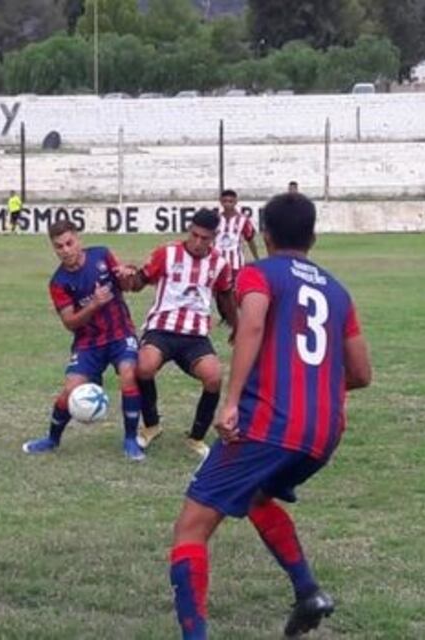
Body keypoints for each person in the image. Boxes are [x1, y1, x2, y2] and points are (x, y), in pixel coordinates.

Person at [167, 193, 372, 639]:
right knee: (257, 494)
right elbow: (361, 373)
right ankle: (308, 592)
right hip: (323, 432)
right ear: (314, 237)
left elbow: (253, 323)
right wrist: (319, 391)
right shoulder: (338, 290)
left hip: (268, 424)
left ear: (265, 234)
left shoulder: (258, 273)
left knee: (190, 529)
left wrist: (232, 399)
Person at [115, 209, 237, 457]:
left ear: (214, 237)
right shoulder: (167, 253)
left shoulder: (220, 263)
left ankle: (196, 438)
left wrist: (237, 327)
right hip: (162, 328)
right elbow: (141, 281)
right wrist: (130, 277)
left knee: (214, 377)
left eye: (205, 238)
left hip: (195, 336)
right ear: (189, 230)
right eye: (194, 235)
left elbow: (225, 297)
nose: (198, 242)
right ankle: (151, 426)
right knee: (144, 366)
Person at [21, 220, 145, 462]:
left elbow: (126, 285)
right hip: (88, 342)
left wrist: (128, 274)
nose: (66, 250)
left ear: (78, 239)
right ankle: (52, 439)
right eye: (59, 247)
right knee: (69, 390)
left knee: (129, 373)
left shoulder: (101, 254)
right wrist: (95, 304)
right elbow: (70, 322)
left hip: (121, 334)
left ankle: (130, 439)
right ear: (53, 249)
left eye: (69, 243)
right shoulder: (58, 282)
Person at [215, 189, 260, 281]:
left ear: (235, 202)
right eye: (225, 201)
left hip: (236, 264)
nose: (227, 204)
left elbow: (250, 240)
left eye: (230, 201)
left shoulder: (243, 220)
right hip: (217, 263)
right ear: (220, 201)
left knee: (235, 291)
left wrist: (256, 258)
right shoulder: (215, 219)